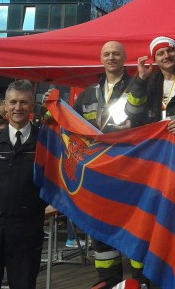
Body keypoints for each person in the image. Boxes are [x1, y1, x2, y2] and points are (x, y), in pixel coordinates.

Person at [125, 36, 175, 287]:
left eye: (170, 51)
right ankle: (153, 275)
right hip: (155, 161)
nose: (166, 56)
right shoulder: (149, 81)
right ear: (155, 58)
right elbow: (132, 113)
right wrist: (140, 80)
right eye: (160, 53)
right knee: (155, 217)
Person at [69, 40, 133, 286]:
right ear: (101, 58)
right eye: (106, 54)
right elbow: (71, 130)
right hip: (97, 179)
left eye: (116, 53)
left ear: (124, 57)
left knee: (136, 230)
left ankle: (142, 280)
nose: (111, 57)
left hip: (130, 175)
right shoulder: (87, 95)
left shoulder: (139, 88)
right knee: (102, 235)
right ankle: (107, 281)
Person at [0, 80, 47, 289]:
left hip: (26, 232)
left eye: (23, 102)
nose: (17, 108)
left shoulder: (45, 143)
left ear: (32, 106)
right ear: (5, 105)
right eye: (12, 102)